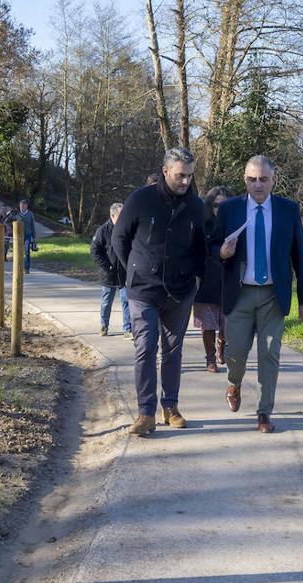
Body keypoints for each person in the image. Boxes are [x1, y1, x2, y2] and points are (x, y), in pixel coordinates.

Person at [210, 155, 303, 433]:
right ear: (244, 180)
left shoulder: (287, 210)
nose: (257, 185)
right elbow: (210, 248)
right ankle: (234, 383)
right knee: (237, 353)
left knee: (269, 354)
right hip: (239, 293)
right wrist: (222, 252)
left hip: (272, 295)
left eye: (263, 179)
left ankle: (264, 411)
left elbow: (300, 256)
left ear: (273, 180)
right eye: (252, 179)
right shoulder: (230, 209)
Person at [112, 147, 206, 437]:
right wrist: (134, 270)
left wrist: (197, 283)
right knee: (145, 348)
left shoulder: (196, 206)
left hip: (180, 291)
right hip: (143, 290)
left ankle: (171, 406)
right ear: (165, 171)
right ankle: (145, 412)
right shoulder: (141, 199)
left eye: (190, 176)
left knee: (173, 351)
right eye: (180, 175)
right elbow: (119, 238)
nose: (186, 182)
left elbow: (201, 247)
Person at [194, 186, 230, 372]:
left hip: (229, 281)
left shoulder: (233, 225)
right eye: (216, 205)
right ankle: (210, 358)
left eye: (224, 205)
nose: (220, 209)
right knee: (208, 324)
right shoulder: (203, 225)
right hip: (207, 281)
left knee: (227, 323)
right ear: (210, 206)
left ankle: (221, 348)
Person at [91, 202, 132, 338]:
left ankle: (128, 329)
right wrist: (107, 266)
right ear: (112, 215)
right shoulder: (102, 230)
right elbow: (95, 251)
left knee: (126, 300)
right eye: (121, 215)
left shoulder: (128, 229)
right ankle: (104, 326)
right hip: (108, 274)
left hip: (124, 273)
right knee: (106, 302)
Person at [15, 199, 37, 269]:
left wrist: (34, 237)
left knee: (27, 251)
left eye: (24, 205)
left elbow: (32, 225)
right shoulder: (17, 214)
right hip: (19, 235)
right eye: (21, 205)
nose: (22, 207)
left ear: (26, 206)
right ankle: (19, 267)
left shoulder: (30, 214)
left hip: (28, 235)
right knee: (18, 251)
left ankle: (27, 267)